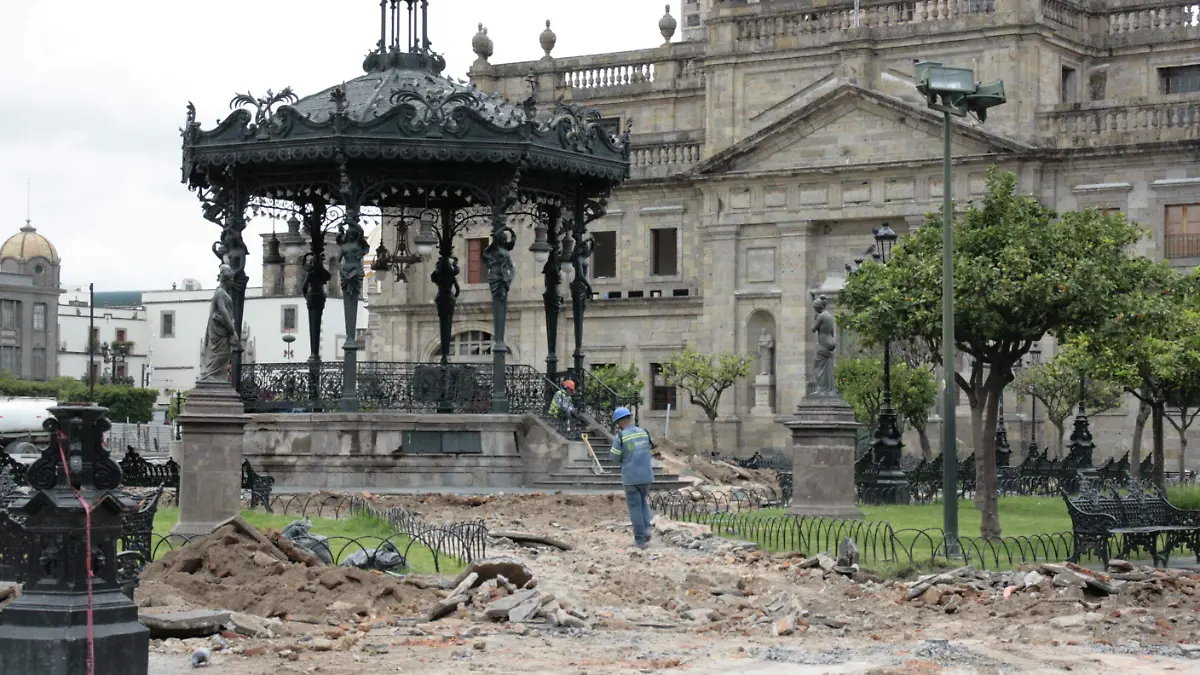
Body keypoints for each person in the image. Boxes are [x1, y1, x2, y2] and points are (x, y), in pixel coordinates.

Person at [610, 406, 655, 549]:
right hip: (647, 476)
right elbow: (651, 448)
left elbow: (615, 458)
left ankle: (640, 540)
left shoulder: (621, 437)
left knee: (635, 507)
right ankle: (646, 529)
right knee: (643, 503)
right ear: (630, 418)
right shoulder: (644, 432)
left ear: (619, 422)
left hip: (631, 478)